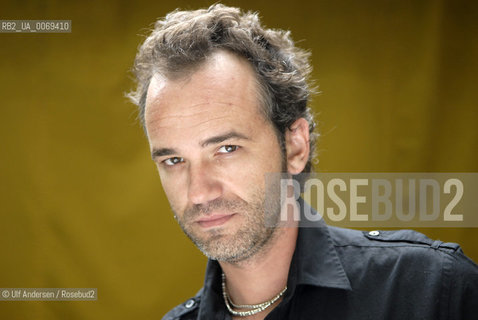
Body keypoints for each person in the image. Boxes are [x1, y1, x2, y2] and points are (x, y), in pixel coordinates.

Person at [127, 4, 478, 320]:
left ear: (295, 147)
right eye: (174, 159)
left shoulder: (433, 292)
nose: (200, 192)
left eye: (227, 148)